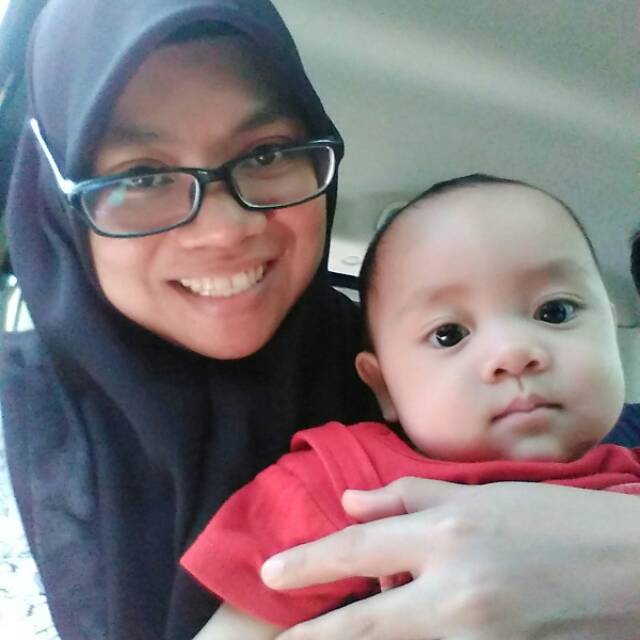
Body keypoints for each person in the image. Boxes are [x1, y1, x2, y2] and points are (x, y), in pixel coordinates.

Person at [1, 2, 639, 640]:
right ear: (59, 197)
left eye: (266, 152)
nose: (224, 229)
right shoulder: (346, 472)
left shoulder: (571, 422)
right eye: (141, 176)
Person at [180, 174, 640, 638]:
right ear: (383, 387)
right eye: (449, 335)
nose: (513, 352)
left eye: (555, 312)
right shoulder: (348, 482)